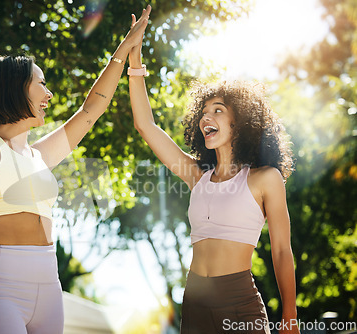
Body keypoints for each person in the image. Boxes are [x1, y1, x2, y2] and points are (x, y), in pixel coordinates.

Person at [0, 5, 151, 334]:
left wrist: (127, 50)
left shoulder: (38, 156)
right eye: (41, 84)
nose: (48, 94)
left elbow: (91, 110)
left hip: (49, 284)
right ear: (16, 87)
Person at [128, 38, 300, 333]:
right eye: (204, 112)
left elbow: (282, 250)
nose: (207, 117)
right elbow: (146, 125)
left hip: (238, 303)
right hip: (194, 302)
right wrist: (134, 63)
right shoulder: (197, 176)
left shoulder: (264, 179)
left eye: (218, 110)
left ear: (240, 122)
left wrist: (290, 313)